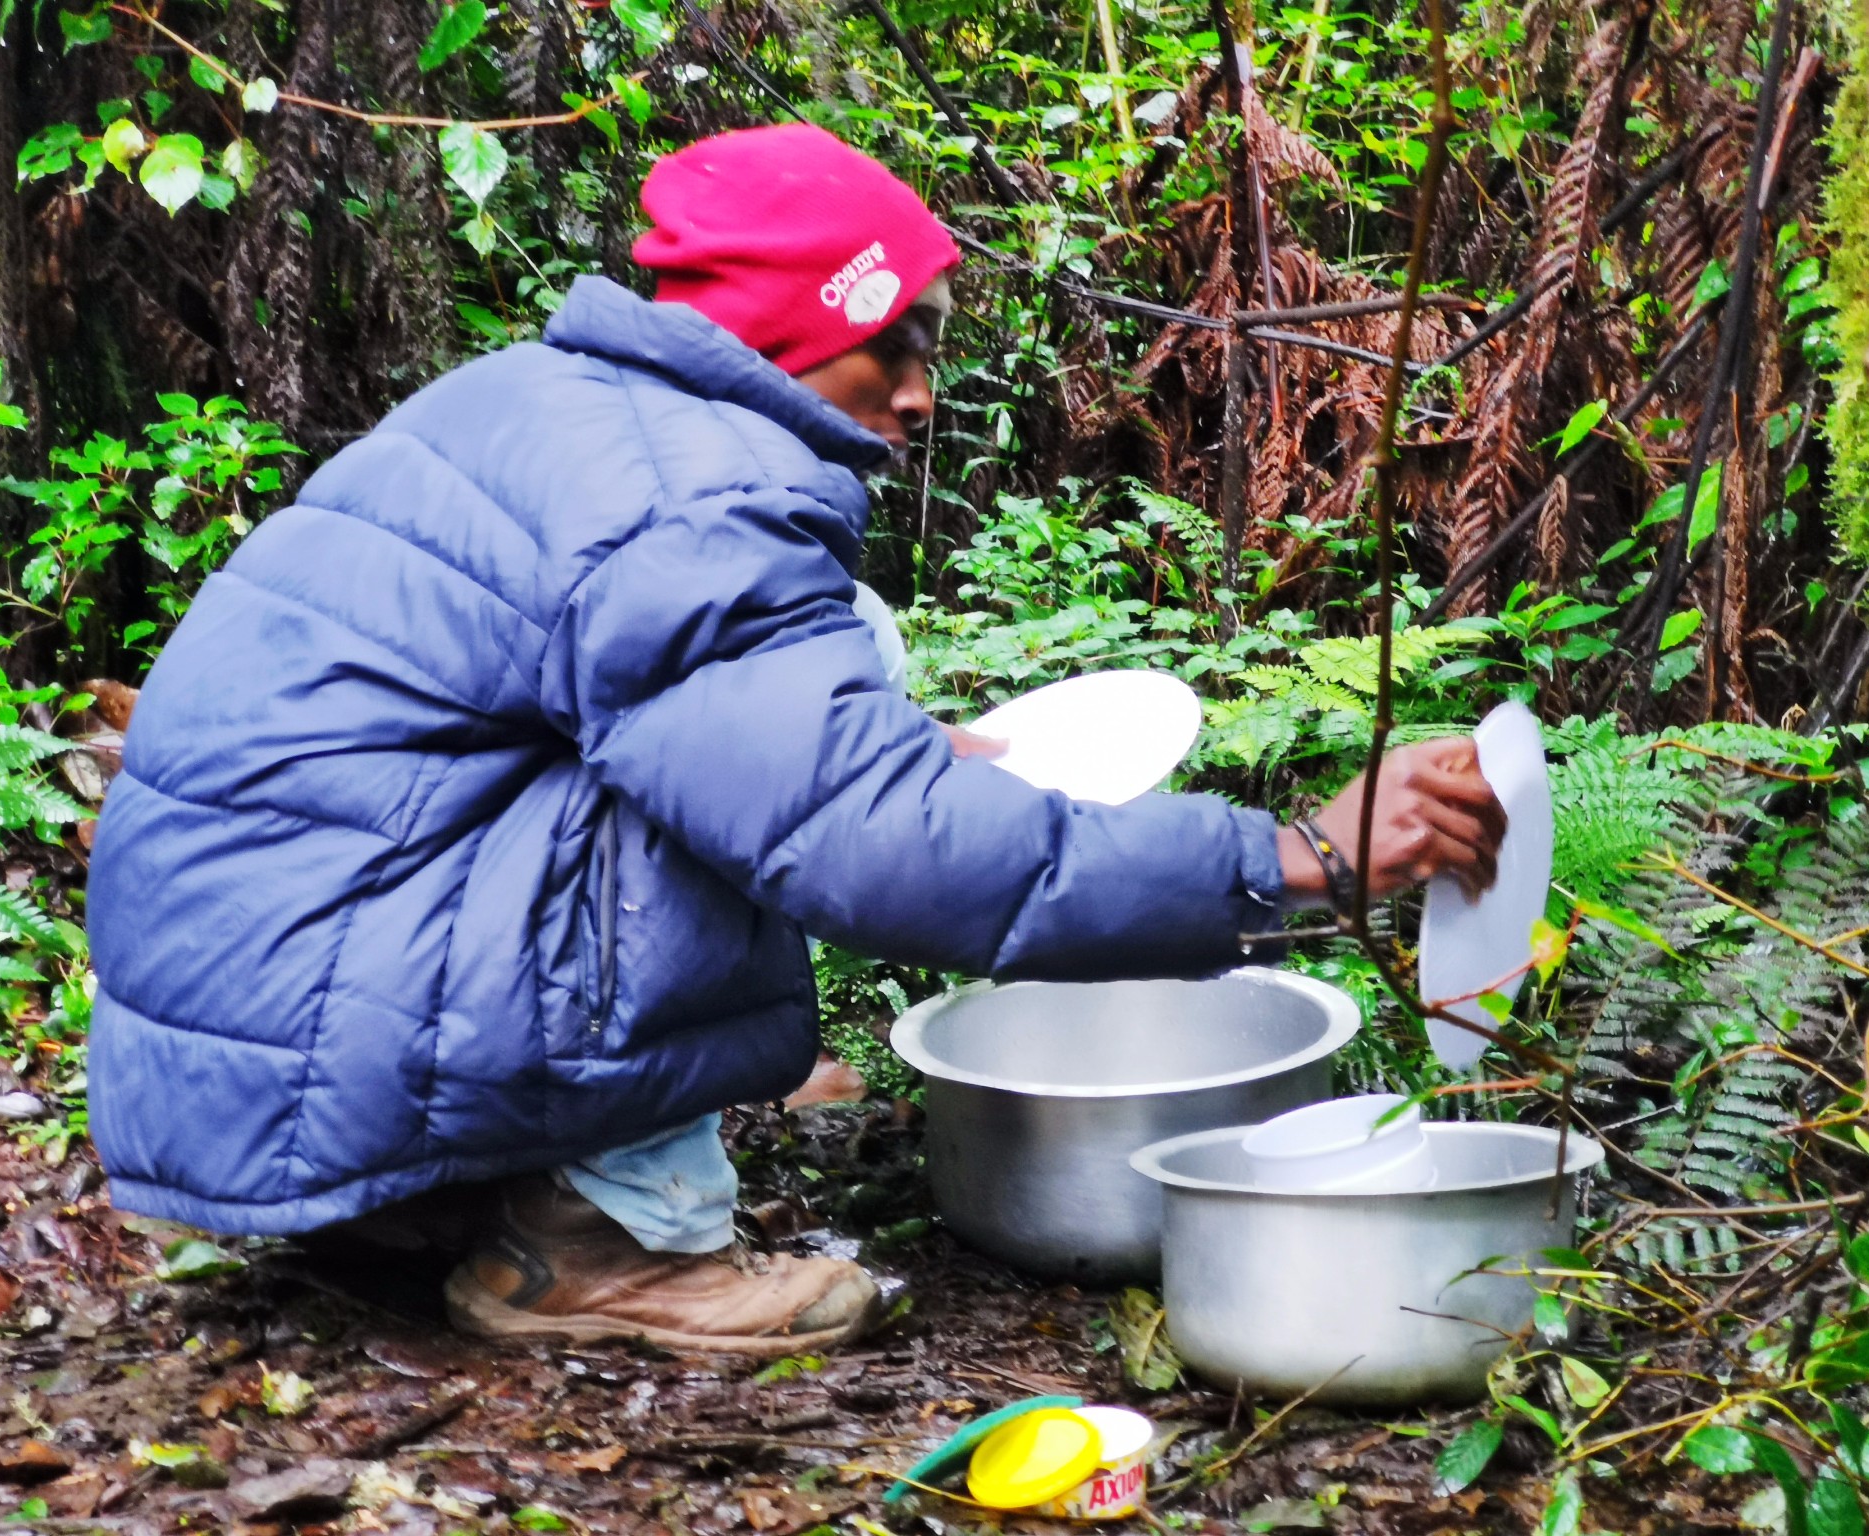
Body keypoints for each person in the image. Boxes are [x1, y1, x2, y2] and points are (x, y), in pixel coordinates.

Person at [85, 123, 1506, 1357]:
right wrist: (1302, 857)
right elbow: (873, 854)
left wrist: (911, 758)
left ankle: (445, 1193)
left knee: (848, 681)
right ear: (797, 329)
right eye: (901, 339)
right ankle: (606, 1245)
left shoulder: (578, 412)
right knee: (753, 797)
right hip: (303, 1023)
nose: (922, 391)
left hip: (266, 1030)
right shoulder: (690, 501)